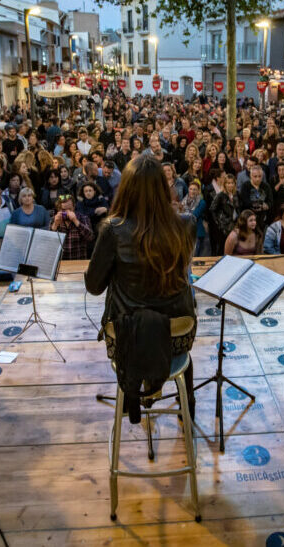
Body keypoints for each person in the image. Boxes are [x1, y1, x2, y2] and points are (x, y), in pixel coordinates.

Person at [84, 155, 198, 413]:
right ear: (162, 188)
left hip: (128, 334)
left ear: (126, 188)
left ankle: (131, 396)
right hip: (177, 332)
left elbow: (94, 287)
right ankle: (188, 404)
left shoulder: (113, 229)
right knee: (180, 350)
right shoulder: (186, 223)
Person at [51, 194, 93, 260]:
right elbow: (49, 242)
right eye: (64, 210)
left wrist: (76, 221)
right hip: (61, 261)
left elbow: (90, 237)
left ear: (74, 207)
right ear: (59, 209)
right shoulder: (55, 219)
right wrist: (55, 224)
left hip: (78, 260)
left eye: (70, 209)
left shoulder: (83, 218)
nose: (67, 212)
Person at [209, 174, 241, 256]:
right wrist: (218, 222)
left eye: (232, 183)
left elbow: (238, 209)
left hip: (235, 225)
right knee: (222, 248)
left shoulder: (237, 194)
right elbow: (212, 209)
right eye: (228, 183)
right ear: (225, 184)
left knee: (234, 247)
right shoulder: (220, 195)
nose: (230, 185)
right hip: (224, 227)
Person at [180, 179, 209, 256]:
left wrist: (182, 214)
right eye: (191, 189)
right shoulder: (183, 201)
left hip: (196, 233)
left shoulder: (202, 202)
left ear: (198, 191)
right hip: (185, 232)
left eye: (194, 189)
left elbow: (193, 216)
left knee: (194, 256)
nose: (192, 191)